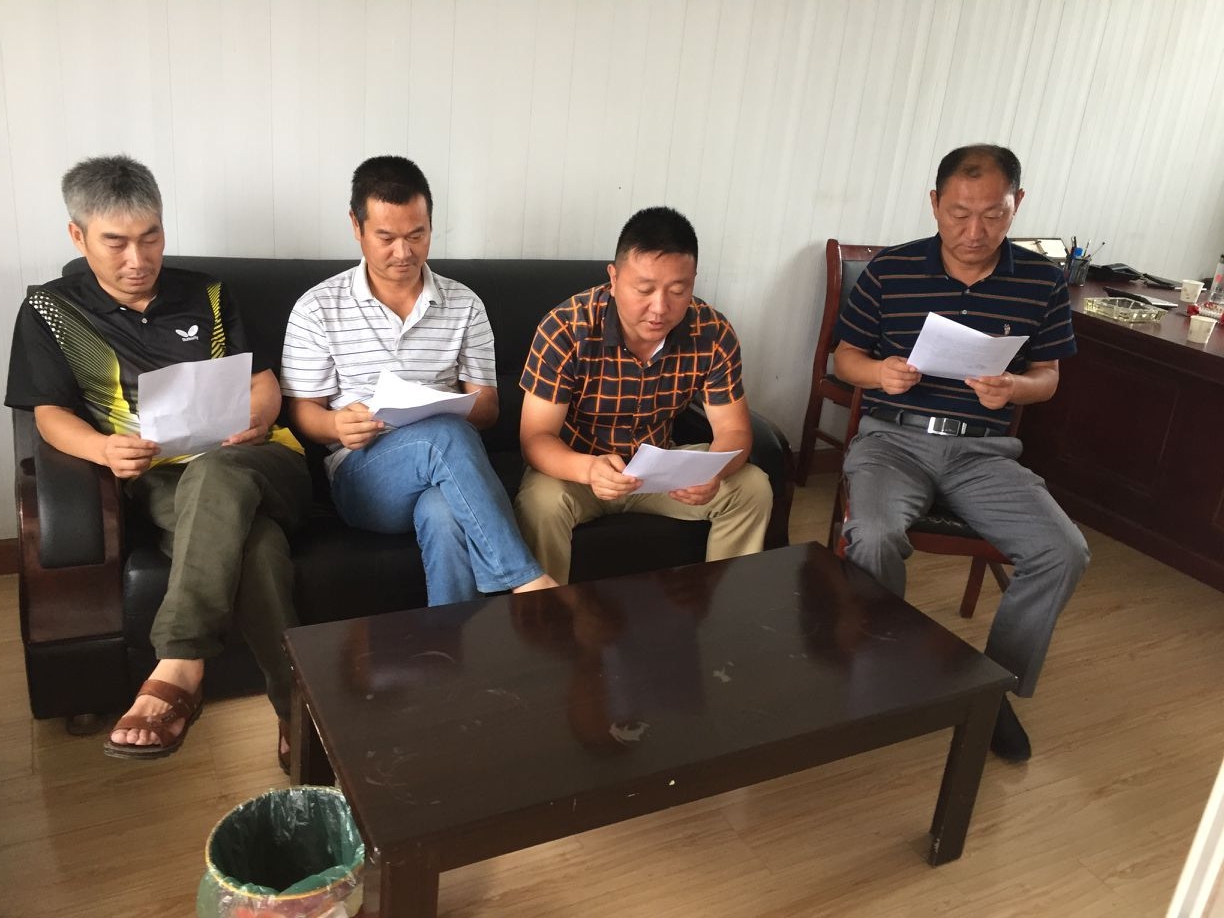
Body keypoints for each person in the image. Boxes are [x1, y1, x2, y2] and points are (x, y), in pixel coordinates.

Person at [4, 155, 312, 767]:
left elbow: (263, 382)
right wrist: (102, 448)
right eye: (115, 243)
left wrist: (256, 415)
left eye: (151, 238)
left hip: (258, 460)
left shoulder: (209, 294)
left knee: (219, 471)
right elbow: (48, 414)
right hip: (161, 477)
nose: (138, 259)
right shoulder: (51, 311)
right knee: (254, 547)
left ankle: (179, 660)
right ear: (77, 236)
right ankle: (301, 714)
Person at [832, 144, 1091, 761]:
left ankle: (991, 692)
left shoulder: (1042, 281)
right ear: (934, 204)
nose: (975, 231)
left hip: (983, 451)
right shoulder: (892, 270)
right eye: (959, 213)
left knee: (1062, 551)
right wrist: (879, 373)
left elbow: (1048, 377)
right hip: (894, 439)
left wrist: (1015, 387)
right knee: (873, 535)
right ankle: (881, 669)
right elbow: (845, 359)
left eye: (994, 215)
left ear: (1017, 204)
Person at [279, 155, 555, 605]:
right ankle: (526, 581)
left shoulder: (464, 304)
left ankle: (448, 643)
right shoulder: (318, 307)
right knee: (443, 436)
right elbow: (303, 412)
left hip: (450, 468)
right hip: (363, 476)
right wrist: (335, 425)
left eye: (416, 235)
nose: (404, 253)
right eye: (386, 238)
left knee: (444, 512)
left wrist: (440, 408)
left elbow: (487, 410)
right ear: (356, 226)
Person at [516, 206, 773, 582]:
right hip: (578, 470)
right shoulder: (566, 328)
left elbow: (734, 431)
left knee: (752, 487)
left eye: (678, 291)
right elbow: (535, 437)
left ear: (693, 281)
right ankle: (545, 613)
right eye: (644, 289)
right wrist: (589, 469)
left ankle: (724, 605)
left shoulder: (713, 332)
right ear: (614, 277)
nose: (660, 308)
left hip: (660, 475)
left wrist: (711, 472)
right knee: (541, 503)